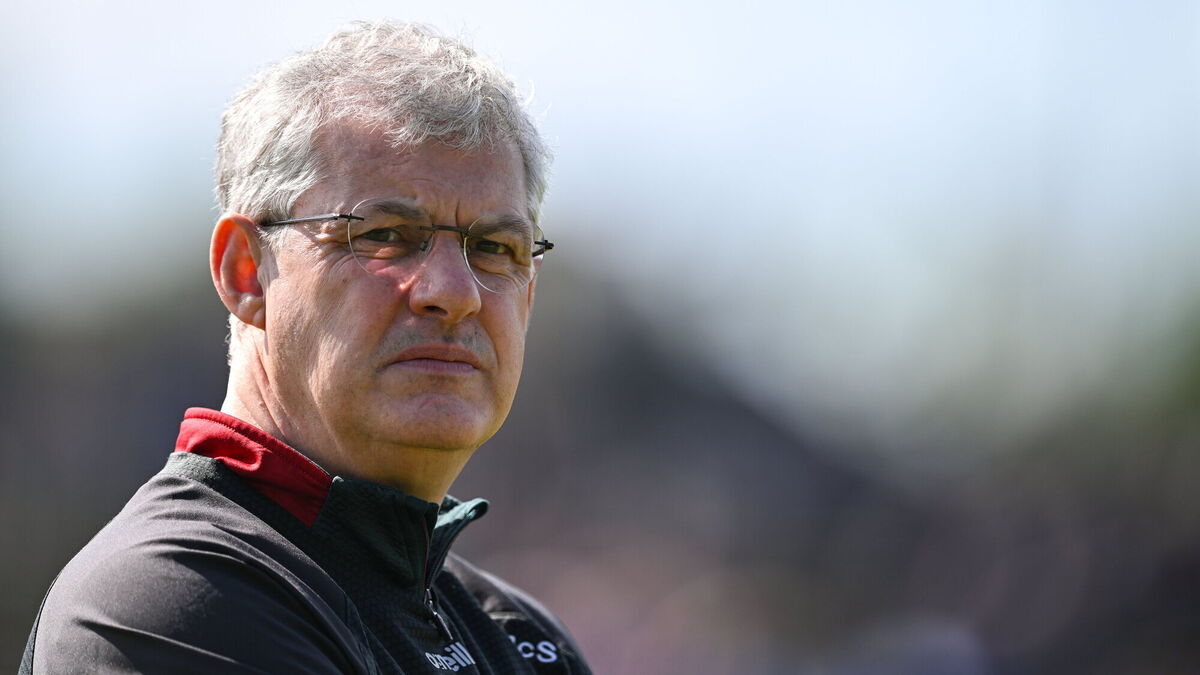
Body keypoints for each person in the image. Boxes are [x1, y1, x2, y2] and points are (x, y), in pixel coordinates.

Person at [20, 20, 591, 674]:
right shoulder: (177, 600)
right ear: (246, 272)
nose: (454, 292)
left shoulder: (521, 636)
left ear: (529, 293)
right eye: (385, 234)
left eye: (493, 247)